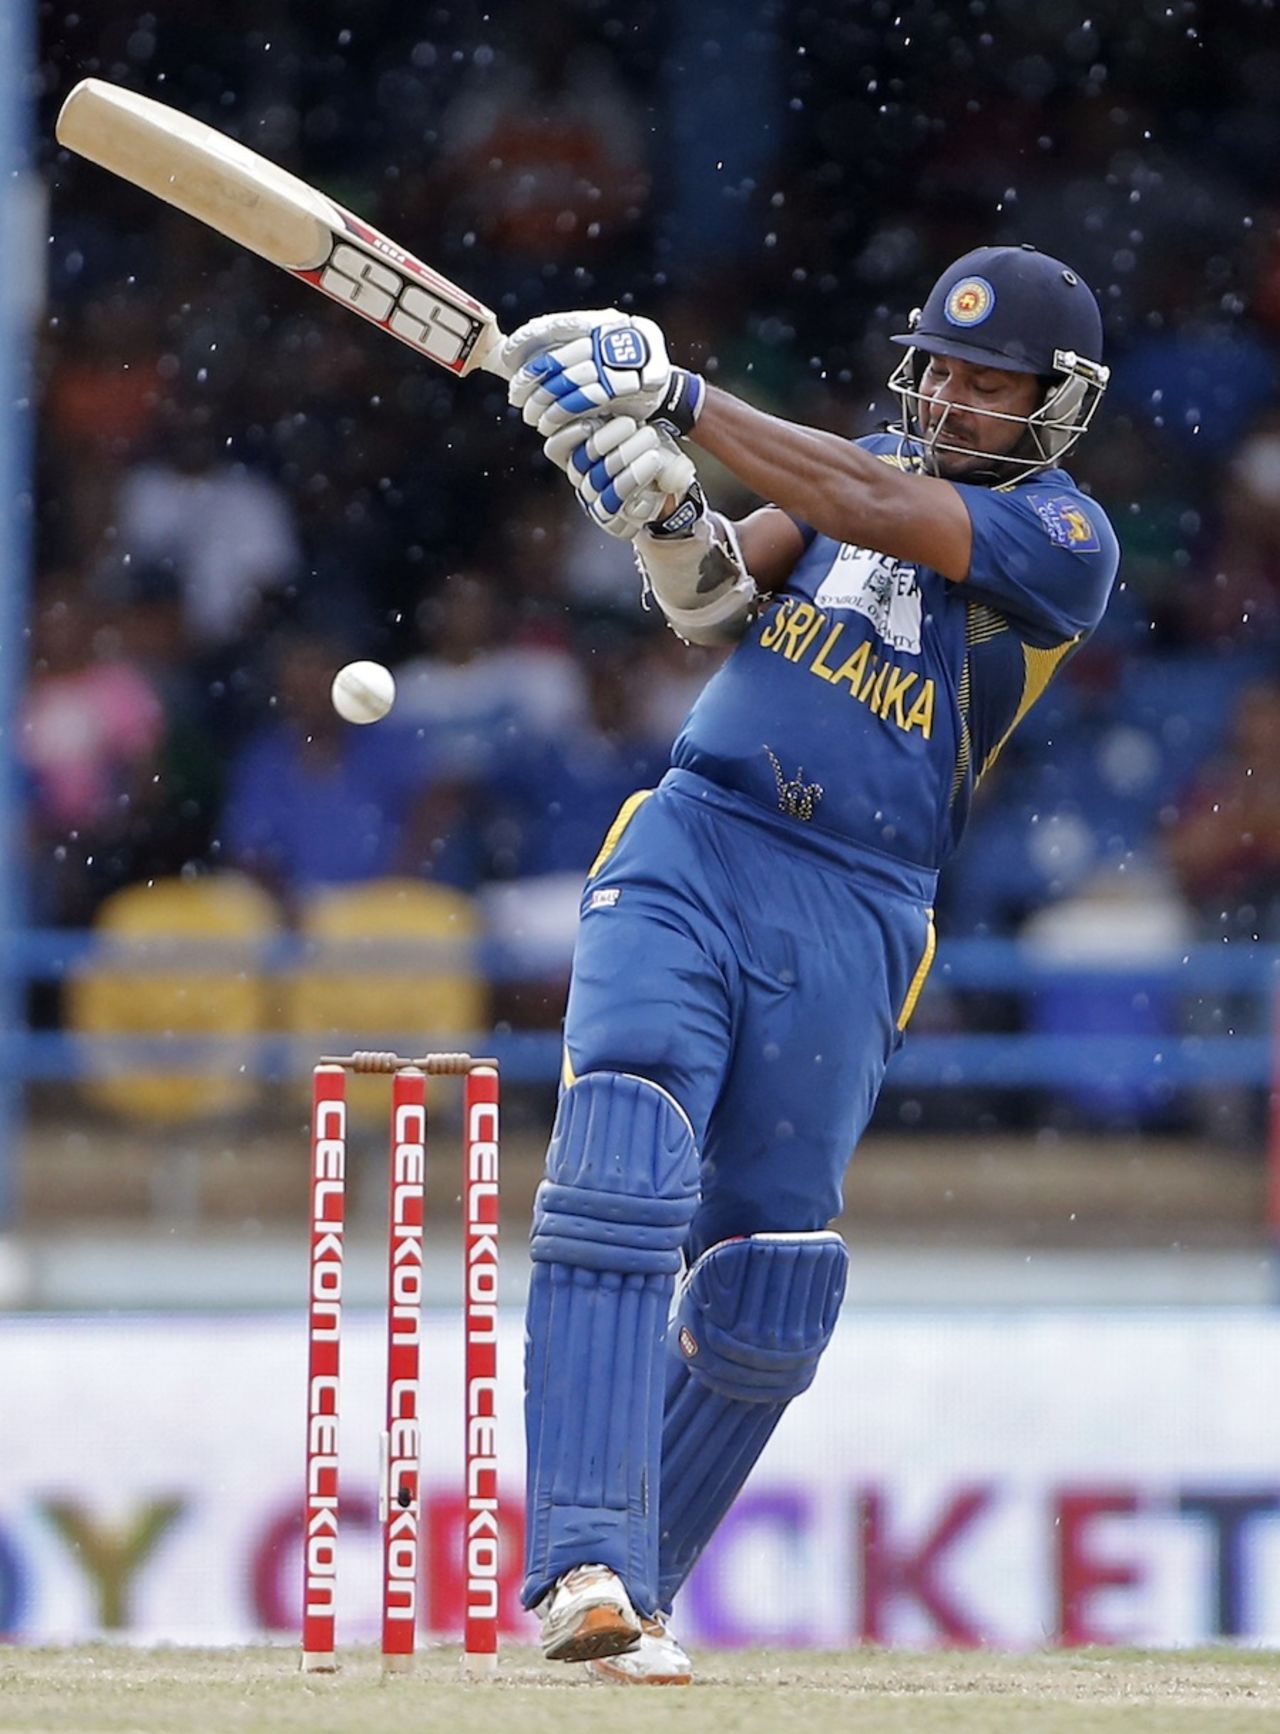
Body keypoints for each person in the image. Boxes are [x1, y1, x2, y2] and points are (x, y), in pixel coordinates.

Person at [495, 245, 1118, 1683]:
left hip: (858, 907)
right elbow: (717, 603)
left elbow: (876, 505)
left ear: (1057, 401)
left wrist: (675, 393)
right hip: (700, 842)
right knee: (622, 1152)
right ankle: (580, 1556)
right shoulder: (866, 462)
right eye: (943, 367)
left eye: (991, 379)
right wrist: (659, 515)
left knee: (773, 1281)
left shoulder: (1066, 538)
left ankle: (627, 1597)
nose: (956, 397)